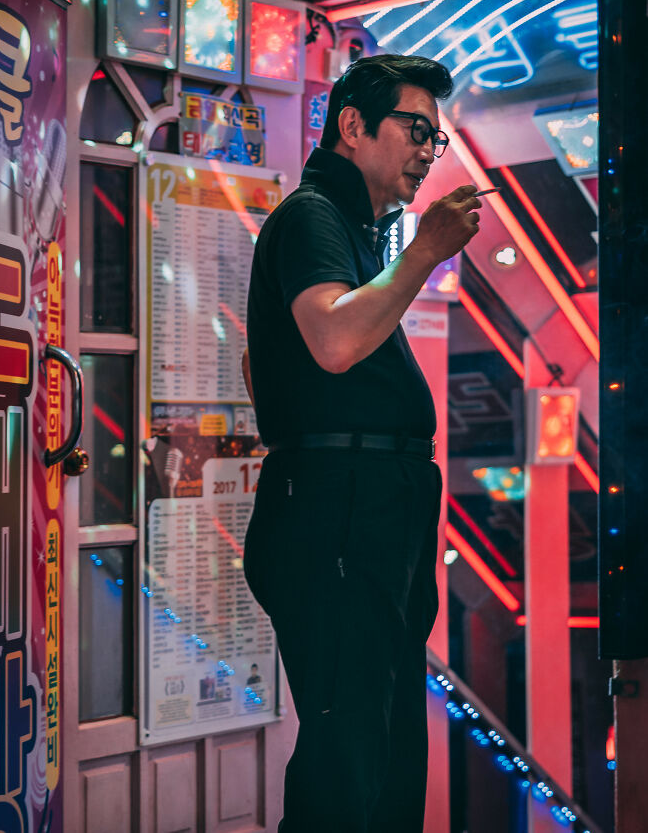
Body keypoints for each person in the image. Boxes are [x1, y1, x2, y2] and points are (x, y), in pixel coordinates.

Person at [242, 54, 481, 833]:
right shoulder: (313, 215)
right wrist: (425, 251)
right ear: (353, 126)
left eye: (435, 140)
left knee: (380, 754)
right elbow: (336, 341)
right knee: (351, 762)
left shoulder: (353, 228)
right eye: (417, 130)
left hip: (364, 511)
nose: (427, 151)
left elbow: (266, 359)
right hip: (339, 514)